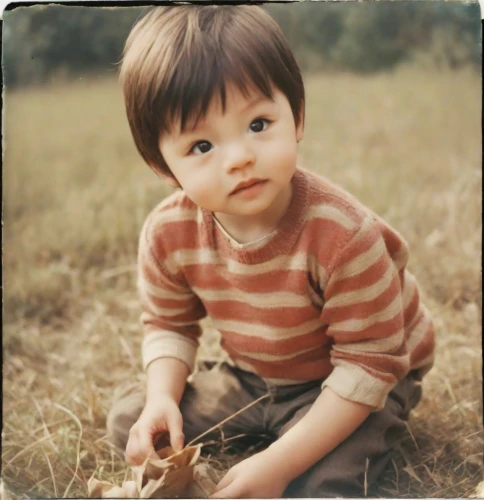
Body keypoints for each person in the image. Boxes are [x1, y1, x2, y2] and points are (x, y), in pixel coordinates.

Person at [107, 5, 435, 498]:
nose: (239, 157)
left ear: (296, 116)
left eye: (258, 124)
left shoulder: (343, 234)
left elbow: (370, 363)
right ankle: (275, 427)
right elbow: (169, 324)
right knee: (133, 422)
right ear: (163, 165)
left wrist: (281, 464)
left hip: (356, 378)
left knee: (320, 481)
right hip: (258, 377)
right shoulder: (168, 233)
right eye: (201, 146)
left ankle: (295, 440)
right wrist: (162, 398)